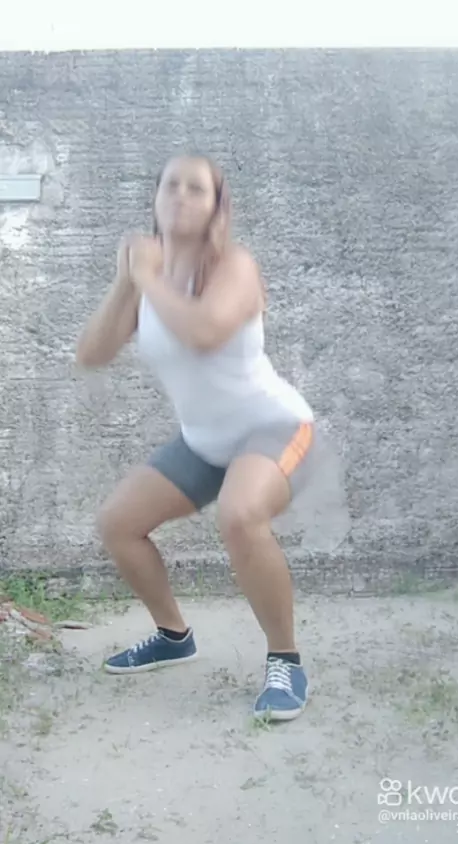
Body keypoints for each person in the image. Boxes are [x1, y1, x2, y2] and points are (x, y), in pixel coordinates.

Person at [76, 154, 316, 721]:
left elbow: (205, 332)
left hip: (274, 426)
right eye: (171, 186)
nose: (181, 196)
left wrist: (147, 278)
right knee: (118, 524)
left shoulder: (235, 266)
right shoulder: (146, 278)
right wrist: (125, 281)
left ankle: (286, 660)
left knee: (240, 515)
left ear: (216, 208)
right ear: (155, 199)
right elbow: (92, 353)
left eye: (196, 189)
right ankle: (173, 636)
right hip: (204, 441)